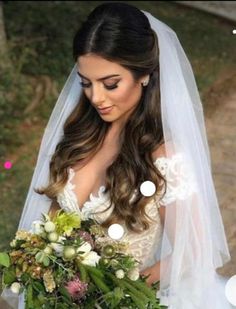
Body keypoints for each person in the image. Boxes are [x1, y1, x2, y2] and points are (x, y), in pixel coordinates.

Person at [1, 2, 234, 308]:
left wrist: (116, 291)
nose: (96, 98)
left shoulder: (164, 159)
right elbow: (51, 224)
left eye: (110, 84)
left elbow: (191, 252)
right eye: (86, 83)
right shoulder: (78, 137)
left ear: (144, 75)